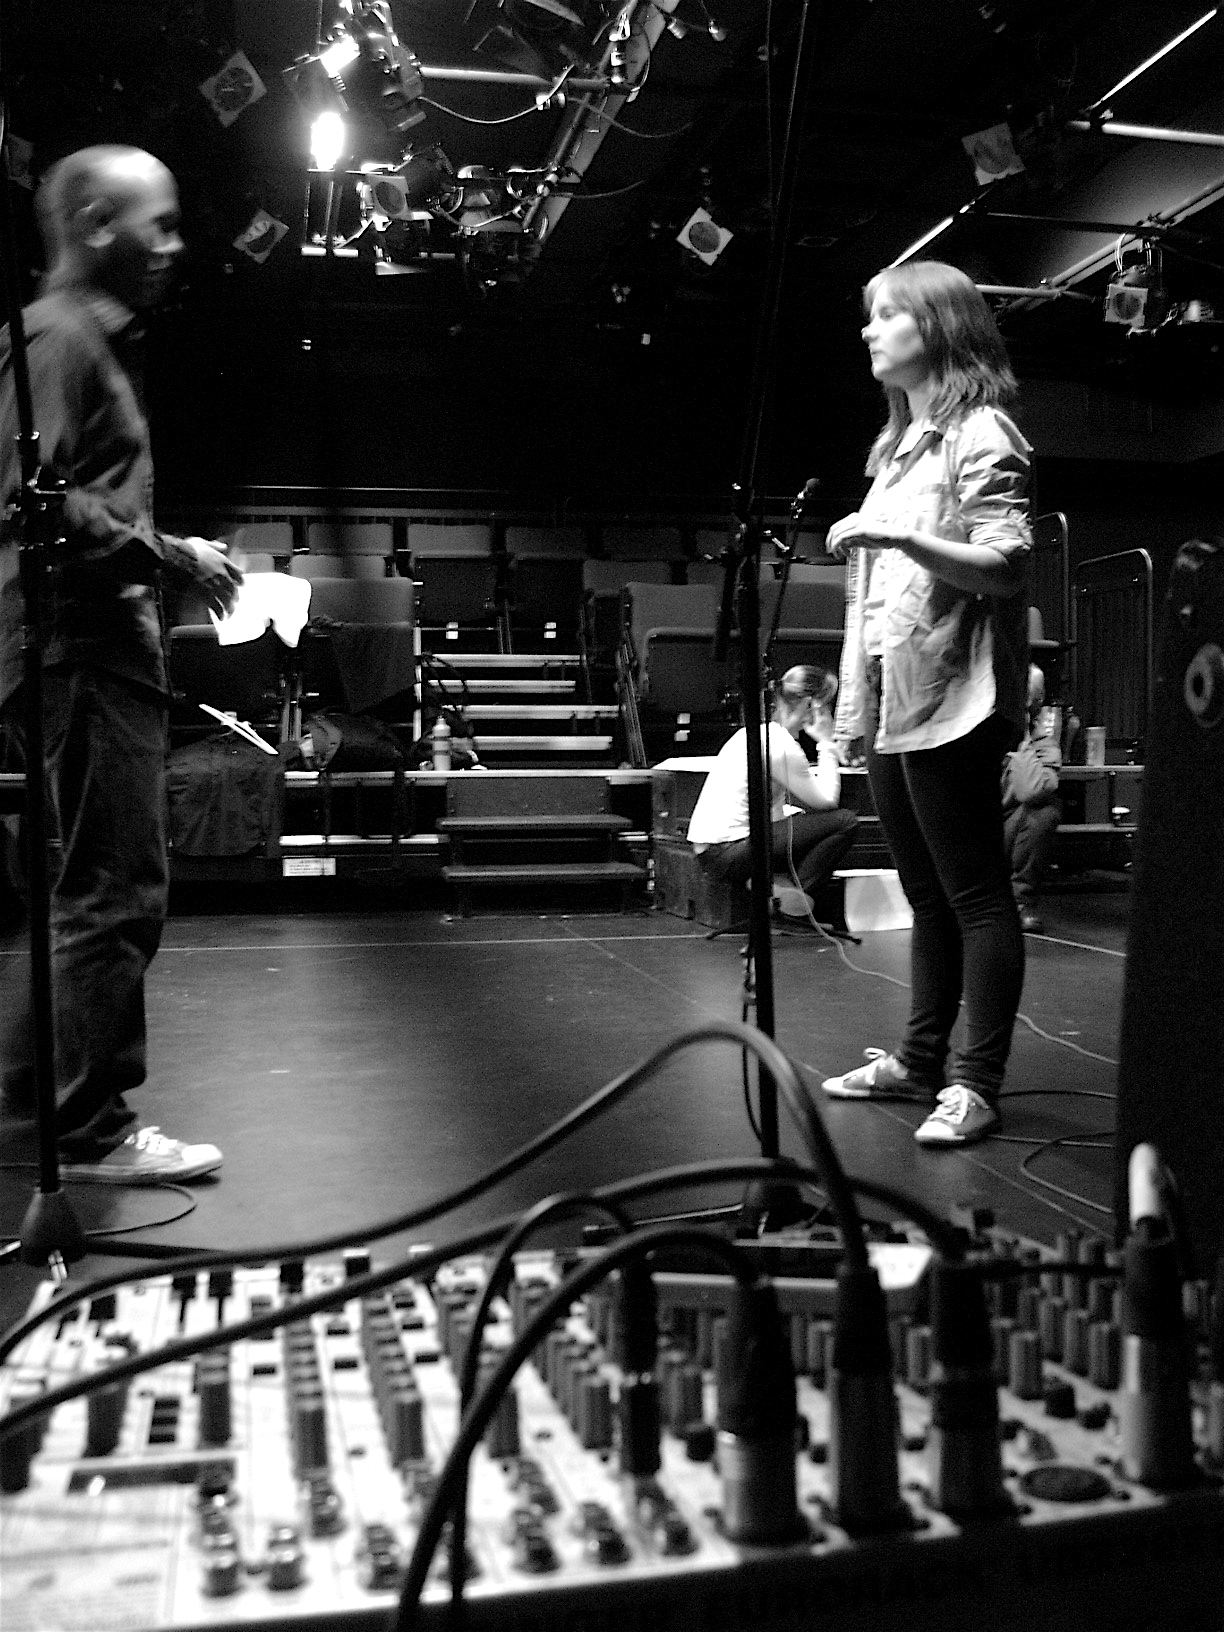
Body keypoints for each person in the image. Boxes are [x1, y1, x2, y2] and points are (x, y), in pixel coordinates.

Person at [0, 146, 242, 1184]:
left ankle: (35, 1107)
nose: (177, 246)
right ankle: (90, 1131)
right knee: (115, 889)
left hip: (86, 650)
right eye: (162, 223)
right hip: (85, 649)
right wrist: (176, 555)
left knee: (86, 889)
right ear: (99, 224)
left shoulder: (77, 341)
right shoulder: (58, 338)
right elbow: (38, 502)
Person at [820, 259, 1032, 1148]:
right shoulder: (899, 446)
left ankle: (974, 1083)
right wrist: (852, 710)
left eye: (888, 315)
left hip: (953, 695)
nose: (870, 330)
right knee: (926, 893)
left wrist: (899, 532)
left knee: (976, 895)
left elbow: (1006, 565)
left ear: (937, 327)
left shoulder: (982, 432)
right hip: (893, 695)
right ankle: (917, 1062)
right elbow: (877, 605)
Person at [686, 664, 859, 917]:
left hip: (711, 851)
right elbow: (827, 801)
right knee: (844, 822)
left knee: (799, 819)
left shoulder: (756, 733)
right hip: (728, 852)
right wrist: (826, 744)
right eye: (827, 706)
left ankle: (775, 885)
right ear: (812, 705)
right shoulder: (782, 746)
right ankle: (789, 901)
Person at [1002, 663, 1062, 935]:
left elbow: (1030, 791)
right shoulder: (977, 736)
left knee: (1045, 812)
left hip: (1007, 834)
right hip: (971, 831)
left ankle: (1020, 902)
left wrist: (1020, 738)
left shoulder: (1044, 747)